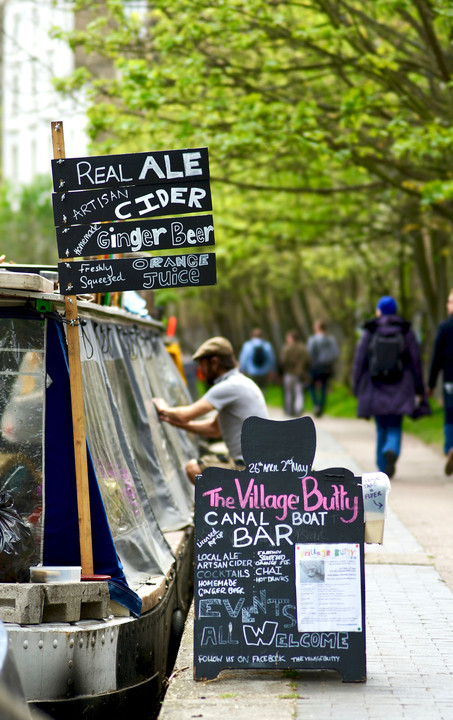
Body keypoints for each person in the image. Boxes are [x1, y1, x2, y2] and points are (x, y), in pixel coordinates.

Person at [153, 336, 268, 483]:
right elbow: (214, 429)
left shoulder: (229, 386)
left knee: (193, 468)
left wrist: (164, 408)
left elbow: (186, 414)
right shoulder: (242, 382)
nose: (201, 370)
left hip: (248, 467)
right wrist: (175, 423)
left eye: (202, 365)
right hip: (261, 466)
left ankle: (233, 504)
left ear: (214, 363)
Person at [352, 296, 424, 478]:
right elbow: (416, 361)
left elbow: (359, 360)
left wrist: (356, 384)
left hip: (375, 386)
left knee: (381, 426)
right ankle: (391, 449)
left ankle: (382, 466)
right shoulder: (406, 331)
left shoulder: (371, 330)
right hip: (401, 385)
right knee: (395, 424)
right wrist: (419, 388)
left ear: (380, 310)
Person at [427, 289, 453, 474]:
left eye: (450, 301)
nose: (447, 305)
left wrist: (431, 383)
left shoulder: (445, 327)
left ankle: (450, 448)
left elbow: (437, 358)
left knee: (450, 416)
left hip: (450, 380)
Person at [307, 320, 339, 417]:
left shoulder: (313, 340)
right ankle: (321, 407)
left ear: (317, 328)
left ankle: (316, 404)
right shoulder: (331, 340)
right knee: (324, 387)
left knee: (311, 386)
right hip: (326, 367)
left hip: (315, 366)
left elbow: (309, 353)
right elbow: (335, 353)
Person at [280, 330, 311, 416]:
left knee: (289, 393)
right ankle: (298, 409)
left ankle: (289, 410)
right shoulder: (303, 348)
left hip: (289, 373)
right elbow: (308, 360)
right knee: (299, 393)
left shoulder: (287, 348)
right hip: (300, 374)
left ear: (291, 338)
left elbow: (283, 361)